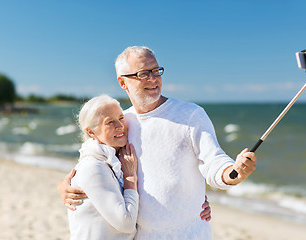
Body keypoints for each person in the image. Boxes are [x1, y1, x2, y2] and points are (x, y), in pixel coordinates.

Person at [59, 46, 257, 239]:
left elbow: (214, 162)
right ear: (122, 82)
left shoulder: (190, 115)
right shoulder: (123, 122)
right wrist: (65, 185)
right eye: (144, 73)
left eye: (156, 71)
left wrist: (234, 172)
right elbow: (94, 159)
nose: (153, 79)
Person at [68, 95, 139, 240]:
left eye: (121, 117)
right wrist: (130, 178)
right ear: (91, 132)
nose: (120, 126)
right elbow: (126, 224)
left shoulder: (114, 160)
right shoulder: (92, 167)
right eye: (110, 122)